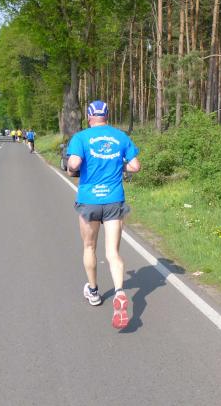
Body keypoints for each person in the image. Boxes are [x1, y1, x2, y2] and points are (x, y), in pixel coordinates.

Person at [67, 100, 141, 329]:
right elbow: (135, 166)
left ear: (89, 117)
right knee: (113, 253)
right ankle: (119, 291)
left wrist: (72, 167)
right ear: (107, 116)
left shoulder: (81, 137)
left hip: (89, 200)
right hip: (114, 199)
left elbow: (74, 163)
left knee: (89, 247)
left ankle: (93, 291)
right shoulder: (120, 137)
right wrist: (119, 165)